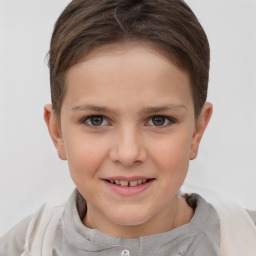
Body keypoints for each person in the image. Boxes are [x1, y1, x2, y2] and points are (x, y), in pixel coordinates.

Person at [1, 0, 255, 255]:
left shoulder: (247, 238)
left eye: (159, 120)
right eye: (96, 120)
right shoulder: (19, 248)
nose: (128, 153)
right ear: (57, 132)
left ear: (197, 131)